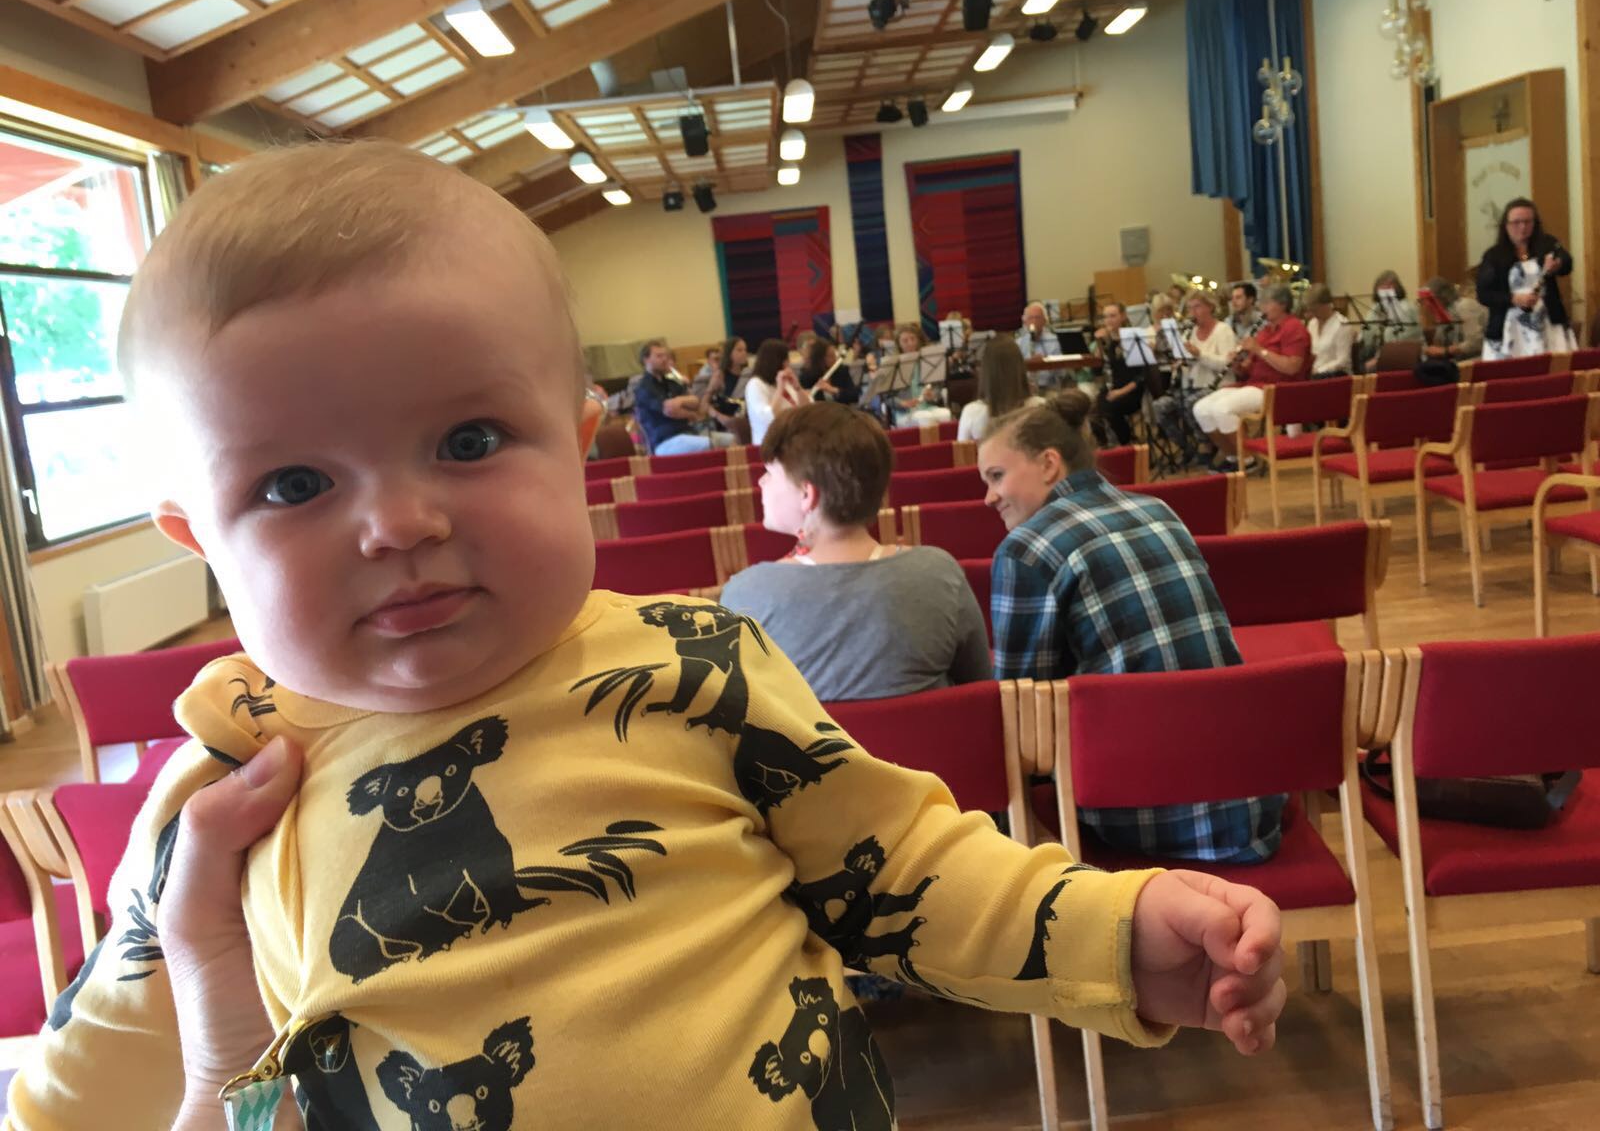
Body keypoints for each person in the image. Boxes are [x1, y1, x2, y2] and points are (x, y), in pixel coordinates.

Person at [5, 142, 1286, 1129]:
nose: (398, 523)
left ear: (579, 445)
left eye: (466, 441)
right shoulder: (221, 799)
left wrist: (1109, 931)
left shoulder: (696, 665)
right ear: (196, 537)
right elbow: (96, 1074)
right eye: (294, 485)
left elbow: (903, 866)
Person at [977, 391, 1285, 865]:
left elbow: (1021, 712)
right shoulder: (1160, 510)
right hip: (1252, 792)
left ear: (1049, 464)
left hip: (1148, 816)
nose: (988, 497)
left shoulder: (1026, 548)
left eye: (997, 476)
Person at [719, 404, 990, 702]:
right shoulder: (939, 574)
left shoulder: (746, 595)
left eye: (770, 472)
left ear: (807, 495)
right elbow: (979, 693)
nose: (761, 482)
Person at [1192, 283, 1310, 472]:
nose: (1262, 308)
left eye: (1267, 303)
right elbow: (1248, 369)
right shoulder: (1265, 331)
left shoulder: (1294, 328)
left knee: (1222, 409)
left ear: (1282, 304)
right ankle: (1233, 456)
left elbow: (1292, 367)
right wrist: (1237, 364)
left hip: (1278, 388)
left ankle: (1247, 460)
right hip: (1253, 384)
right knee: (1201, 409)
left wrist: (1259, 350)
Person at [1476, 197, 1576, 359]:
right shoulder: (1494, 255)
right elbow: (1484, 294)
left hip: (1547, 324)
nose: (1522, 227)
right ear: (1506, 225)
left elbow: (1567, 262)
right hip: (1509, 329)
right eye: (1516, 222)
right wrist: (1513, 299)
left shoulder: (1547, 244)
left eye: (1528, 222)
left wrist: (1558, 264)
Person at [1151, 290, 1236, 461]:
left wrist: (1199, 355)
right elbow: (1187, 361)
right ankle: (1188, 448)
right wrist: (1179, 362)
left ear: (1210, 307)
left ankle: (1207, 445)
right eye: (1190, 308)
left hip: (1217, 386)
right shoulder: (1189, 332)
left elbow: (1227, 365)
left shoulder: (1223, 330)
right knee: (1160, 406)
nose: (1192, 312)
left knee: (1190, 403)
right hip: (1190, 385)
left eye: (1197, 307)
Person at [633, 338, 737, 456]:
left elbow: (695, 402)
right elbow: (669, 410)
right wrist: (691, 415)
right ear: (646, 359)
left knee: (733, 439)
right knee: (710, 444)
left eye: (665, 355)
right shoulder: (644, 387)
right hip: (665, 441)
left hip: (686, 433)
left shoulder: (670, 382)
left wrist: (679, 400)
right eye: (659, 356)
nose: (664, 359)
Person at [957, 334, 1040, 442]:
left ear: (985, 371)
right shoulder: (1040, 407)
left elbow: (963, 450)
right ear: (1020, 367)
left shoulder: (972, 413)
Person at [1092, 301, 1148, 447]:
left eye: (1113, 316)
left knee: (1110, 410)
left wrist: (1121, 392)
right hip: (1111, 387)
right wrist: (1099, 344)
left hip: (1131, 390)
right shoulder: (1106, 341)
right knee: (1091, 412)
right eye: (1105, 317)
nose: (1108, 320)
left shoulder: (1132, 339)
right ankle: (1106, 446)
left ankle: (1126, 444)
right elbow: (1096, 371)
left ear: (1122, 317)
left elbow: (1141, 375)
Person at [745, 337, 808, 445]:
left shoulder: (785, 382)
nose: (788, 364)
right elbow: (768, 418)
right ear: (776, 362)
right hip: (770, 444)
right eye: (786, 360)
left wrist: (797, 388)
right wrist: (780, 389)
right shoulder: (755, 384)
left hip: (793, 439)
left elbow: (807, 409)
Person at [886, 325, 952, 427]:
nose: (910, 343)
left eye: (913, 339)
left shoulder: (927, 361)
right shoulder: (894, 365)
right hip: (905, 413)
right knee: (925, 418)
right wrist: (903, 403)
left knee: (946, 414)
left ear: (918, 340)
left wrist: (932, 395)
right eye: (905, 341)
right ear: (899, 344)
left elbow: (937, 387)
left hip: (927, 407)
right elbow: (887, 397)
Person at [1420, 275, 1485, 365]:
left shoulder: (1465, 306)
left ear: (1442, 296)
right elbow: (1440, 345)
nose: (1426, 305)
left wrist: (1445, 351)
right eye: (1422, 301)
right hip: (1457, 360)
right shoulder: (1444, 313)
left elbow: (1475, 343)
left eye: (1429, 300)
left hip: (1478, 359)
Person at [1303, 284, 1354, 377]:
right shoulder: (1312, 324)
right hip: (1314, 374)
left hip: (1335, 376)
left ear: (1326, 305)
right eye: (1311, 310)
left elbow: (1343, 360)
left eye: (1315, 310)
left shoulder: (1342, 324)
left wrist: (1319, 370)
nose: (1313, 313)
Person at [798, 337, 860, 406]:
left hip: (841, 411)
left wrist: (833, 390)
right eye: (830, 356)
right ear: (820, 359)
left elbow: (855, 396)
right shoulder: (806, 376)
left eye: (835, 355)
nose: (835, 359)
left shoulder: (841, 370)